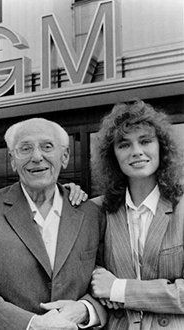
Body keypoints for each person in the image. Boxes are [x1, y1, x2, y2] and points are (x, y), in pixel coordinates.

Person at [0, 117, 107, 330]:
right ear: (13, 160)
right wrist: (32, 324)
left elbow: (108, 279)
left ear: (65, 156)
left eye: (47, 147)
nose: (36, 157)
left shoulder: (91, 213)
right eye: (25, 148)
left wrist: (86, 309)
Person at [90, 99, 184, 329]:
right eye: (124, 145)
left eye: (145, 141)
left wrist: (119, 289)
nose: (137, 152)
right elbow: (81, 270)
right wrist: (94, 274)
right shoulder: (97, 210)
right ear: (112, 155)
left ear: (161, 147)